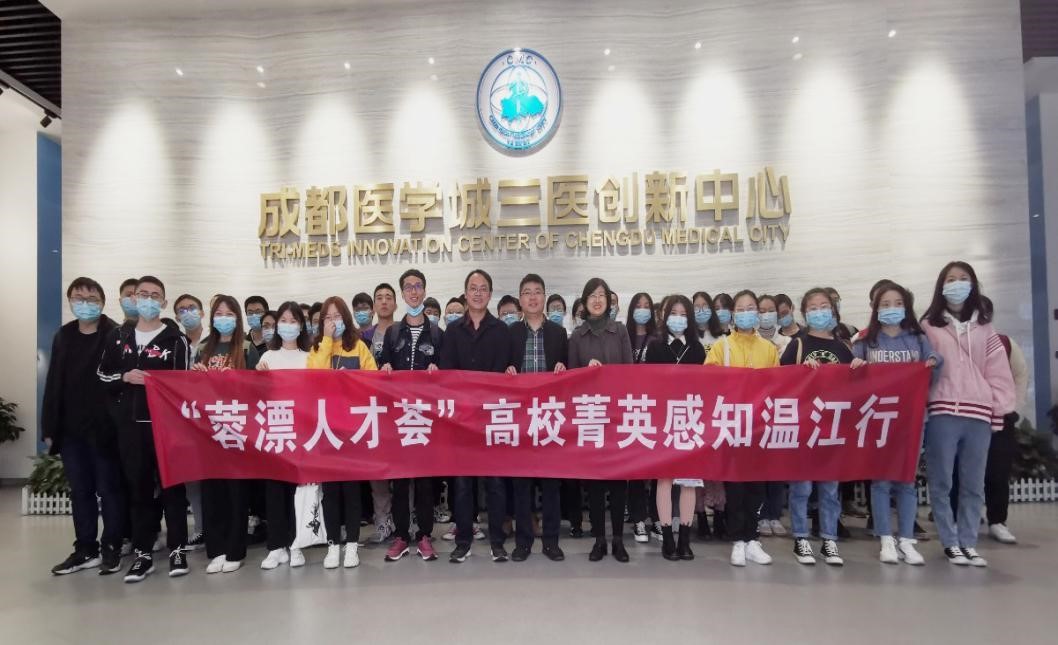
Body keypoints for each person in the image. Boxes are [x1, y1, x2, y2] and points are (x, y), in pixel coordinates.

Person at [98, 276, 192, 583]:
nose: (149, 300)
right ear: (134, 298)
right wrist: (124, 377)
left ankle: (178, 549)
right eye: (143, 294)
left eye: (155, 295)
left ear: (163, 303)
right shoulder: (118, 336)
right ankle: (143, 553)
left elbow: (185, 385)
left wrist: (159, 384)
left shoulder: (176, 340)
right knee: (138, 490)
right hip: (130, 428)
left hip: (167, 429)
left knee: (173, 490)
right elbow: (102, 375)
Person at [920, 262, 1015, 567]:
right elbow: (921, 370)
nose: (957, 284)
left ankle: (969, 541)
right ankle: (950, 542)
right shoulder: (928, 325)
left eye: (963, 279)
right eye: (951, 279)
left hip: (979, 414)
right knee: (942, 481)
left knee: (974, 484)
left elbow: (999, 372)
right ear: (941, 285)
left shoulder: (985, 327)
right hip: (942, 411)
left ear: (973, 284)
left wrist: (997, 411)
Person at [850, 282, 939, 565]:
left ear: (907, 307)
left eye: (898, 303)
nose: (892, 308)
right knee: (880, 481)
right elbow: (850, 380)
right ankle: (885, 538)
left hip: (911, 419)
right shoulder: (866, 340)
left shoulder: (918, 338)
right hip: (878, 418)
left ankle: (907, 540)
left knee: (906, 480)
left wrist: (933, 363)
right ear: (875, 308)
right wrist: (856, 367)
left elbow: (934, 370)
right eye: (885, 304)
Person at [43, 277, 126, 576]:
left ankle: (112, 545)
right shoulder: (63, 335)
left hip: (104, 428)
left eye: (92, 299)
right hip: (70, 430)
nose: (85, 304)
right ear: (70, 302)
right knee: (80, 491)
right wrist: (49, 426)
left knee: (109, 489)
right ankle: (85, 548)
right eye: (79, 298)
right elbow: (54, 382)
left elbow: (120, 380)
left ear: (102, 303)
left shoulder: (114, 333)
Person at [439, 269, 514, 563]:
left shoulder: (501, 331)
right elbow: (446, 374)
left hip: (493, 418)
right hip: (462, 419)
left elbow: (506, 369)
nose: (478, 293)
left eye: (483, 288)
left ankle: (497, 541)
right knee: (462, 485)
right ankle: (463, 541)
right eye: (473, 288)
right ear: (466, 293)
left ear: (490, 294)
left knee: (495, 483)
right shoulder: (453, 332)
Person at [704, 290, 778, 566]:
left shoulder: (769, 349)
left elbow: (779, 386)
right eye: (741, 309)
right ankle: (737, 540)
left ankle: (752, 538)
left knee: (757, 486)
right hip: (732, 426)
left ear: (757, 313)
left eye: (751, 308)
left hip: (758, 427)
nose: (746, 313)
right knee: (735, 487)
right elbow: (706, 382)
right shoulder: (721, 347)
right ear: (733, 314)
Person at [779, 288, 852, 566]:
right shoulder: (797, 345)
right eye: (813, 307)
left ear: (832, 310)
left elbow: (856, 386)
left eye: (824, 306)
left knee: (830, 489)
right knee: (802, 487)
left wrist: (860, 367)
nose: (819, 312)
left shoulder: (843, 348)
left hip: (833, 427)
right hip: (804, 426)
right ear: (804, 312)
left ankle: (829, 539)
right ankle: (801, 538)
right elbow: (780, 381)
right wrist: (799, 371)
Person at [308, 296, 378, 569]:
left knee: (351, 490)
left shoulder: (358, 346)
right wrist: (327, 341)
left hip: (352, 429)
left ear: (346, 319)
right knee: (330, 491)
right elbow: (313, 378)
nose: (333, 321)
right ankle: (333, 544)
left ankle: (351, 545)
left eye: (337, 316)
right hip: (325, 429)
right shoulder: (317, 347)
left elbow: (372, 381)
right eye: (327, 317)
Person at [568, 277, 634, 563]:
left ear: (609, 301)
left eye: (601, 295)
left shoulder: (620, 331)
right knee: (594, 482)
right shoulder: (577, 336)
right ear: (584, 302)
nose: (597, 300)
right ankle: (598, 540)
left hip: (617, 415)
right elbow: (570, 379)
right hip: (590, 416)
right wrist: (586, 371)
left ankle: (618, 540)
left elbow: (630, 372)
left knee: (618, 482)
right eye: (592, 296)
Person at [379, 269, 443, 563]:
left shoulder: (437, 334)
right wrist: (385, 370)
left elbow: (449, 376)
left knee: (426, 480)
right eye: (408, 287)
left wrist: (438, 372)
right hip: (400, 417)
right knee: (401, 480)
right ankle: (402, 535)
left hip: (427, 418)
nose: (414, 292)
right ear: (402, 294)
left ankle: (425, 535)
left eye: (418, 286)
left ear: (424, 291)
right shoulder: (393, 333)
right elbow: (383, 367)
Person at [193, 295, 260, 574]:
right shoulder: (202, 348)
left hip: (237, 429)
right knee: (212, 492)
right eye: (218, 313)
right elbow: (191, 390)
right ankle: (216, 549)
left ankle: (234, 550)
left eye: (229, 313)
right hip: (208, 430)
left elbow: (258, 389)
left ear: (237, 318)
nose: (223, 318)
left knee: (236, 493)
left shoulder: (246, 348)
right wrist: (196, 377)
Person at [505, 273, 568, 562]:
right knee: (522, 484)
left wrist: (564, 369)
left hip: (550, 416)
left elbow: (570, 373)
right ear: (520, 299)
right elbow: (501, 370)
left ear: (544, 296)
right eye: (527, 292)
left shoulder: (558, 333)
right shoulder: (510, 334)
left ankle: (551, 541)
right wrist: (507, 371)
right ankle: (523, 542)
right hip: (520, 417)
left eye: (537, 292)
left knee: (552, 484)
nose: (532, 297)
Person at [642, 295, 706, 561]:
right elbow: (646, 383)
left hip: (690, 418)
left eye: (683, 314)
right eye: (673, 313)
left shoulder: (697, 348)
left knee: (689, 481)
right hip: (663, 419)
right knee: (664, 479)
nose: (678, 318)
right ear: (664, 316)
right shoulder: (654, 346)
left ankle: (685, 540)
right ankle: (667, 537)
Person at [256, 302, 311, 570]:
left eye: (293, 320)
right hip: (275, 430)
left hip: (301, 430)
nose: (288, 325)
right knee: (275, 490)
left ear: (301, 326)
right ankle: (276, 547)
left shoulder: (309, 358)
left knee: (298, 491)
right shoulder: (268, 357)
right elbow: (256, 394)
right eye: (284, 320)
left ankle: (296, 543)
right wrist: (259, 378)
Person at [360, 284, 398, 542]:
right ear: (374, 306)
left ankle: (406, 518)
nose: (384, 302)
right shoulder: (363, 337)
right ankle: (382, 520)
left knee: (404, 469)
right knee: (377, 471)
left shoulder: (404, 331)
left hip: (399, 409)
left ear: (395, 303)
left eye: (388, 298)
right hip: (372, 409)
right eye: (379, 298)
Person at [173, 293, 208, 551]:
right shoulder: (175, 343)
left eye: (192, 308)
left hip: (210, 418)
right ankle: (200, 528)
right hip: (183, 418)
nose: (188, 313)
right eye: (182, 310)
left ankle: (216, 525)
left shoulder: (211, 343)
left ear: (202, 312)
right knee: (191, 478)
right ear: (176, 317)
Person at [624, 291, 658, 543]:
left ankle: (658, 517)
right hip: (629, 407)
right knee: (634, 468)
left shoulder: (658, 339)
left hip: (655, 408)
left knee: (657, 467)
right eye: (639, 305)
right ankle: (638, 519)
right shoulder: (623, 336)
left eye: (647, 305)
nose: (643, 309)